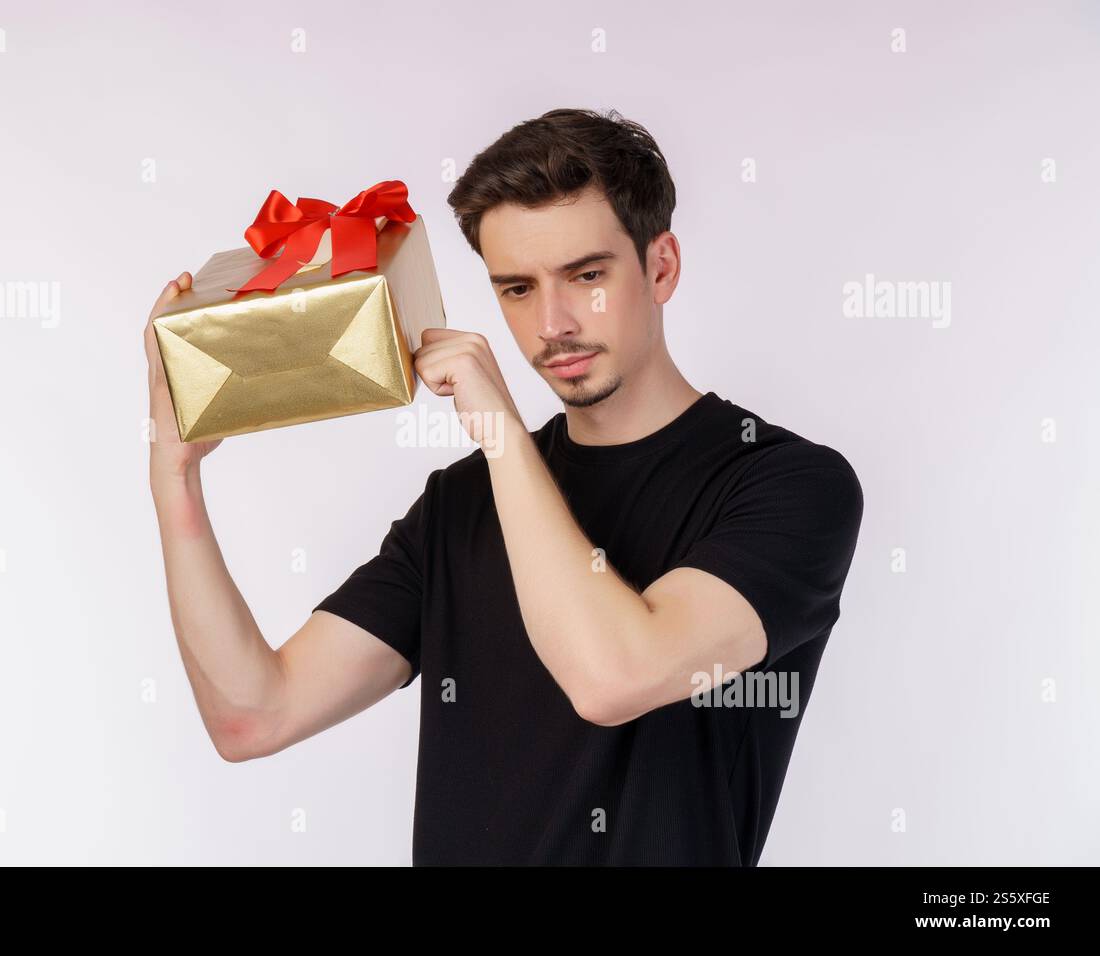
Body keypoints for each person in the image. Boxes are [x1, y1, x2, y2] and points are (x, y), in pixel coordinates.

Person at [143, 107, 864, 865]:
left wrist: (500, 435)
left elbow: (613, 677)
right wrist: (174, 475)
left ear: (661, 267)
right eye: (517, 288)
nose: (551, 323)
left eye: (586, 277)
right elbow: (254, 717)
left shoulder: (790, 485)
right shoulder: (460, 506)